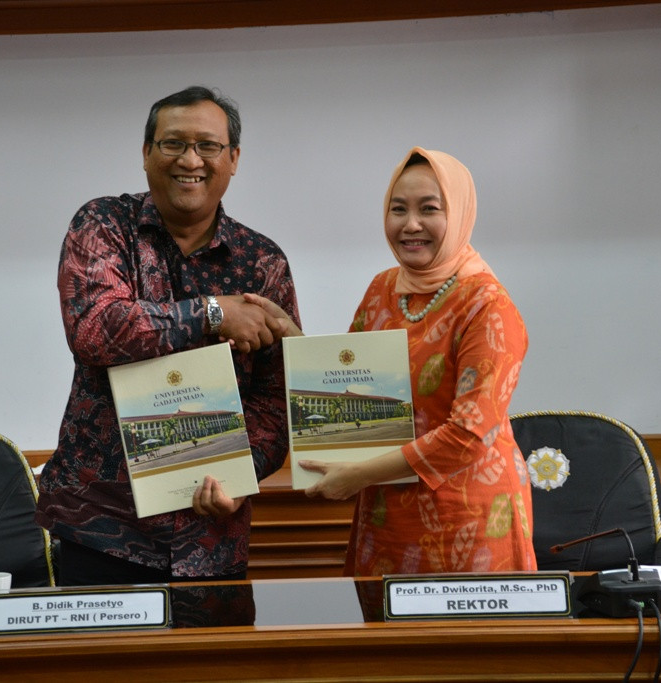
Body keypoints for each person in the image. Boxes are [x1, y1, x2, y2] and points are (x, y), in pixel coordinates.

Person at [35, 85, 301, 586]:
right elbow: (95, 329)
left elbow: (274, 398)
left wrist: (240, 477)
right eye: (173, 143)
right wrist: (213, 313)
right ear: (146, 153)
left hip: (211, 536)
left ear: (234, 158)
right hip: (100, 528)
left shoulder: (262, 261)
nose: (190, 160)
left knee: (212, 669)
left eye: (208, 146)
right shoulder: (103, 225)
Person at [250, 147, 536, 576]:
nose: (410, 225)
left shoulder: (487, 305)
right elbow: (349, 388)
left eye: (429, 209)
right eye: (398, 209)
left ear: (458, 215)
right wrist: (293, 338)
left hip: (469, 520)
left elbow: (469, 435)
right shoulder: (383, 288)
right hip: (387, 516)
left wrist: (359, 475)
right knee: (383, 641)